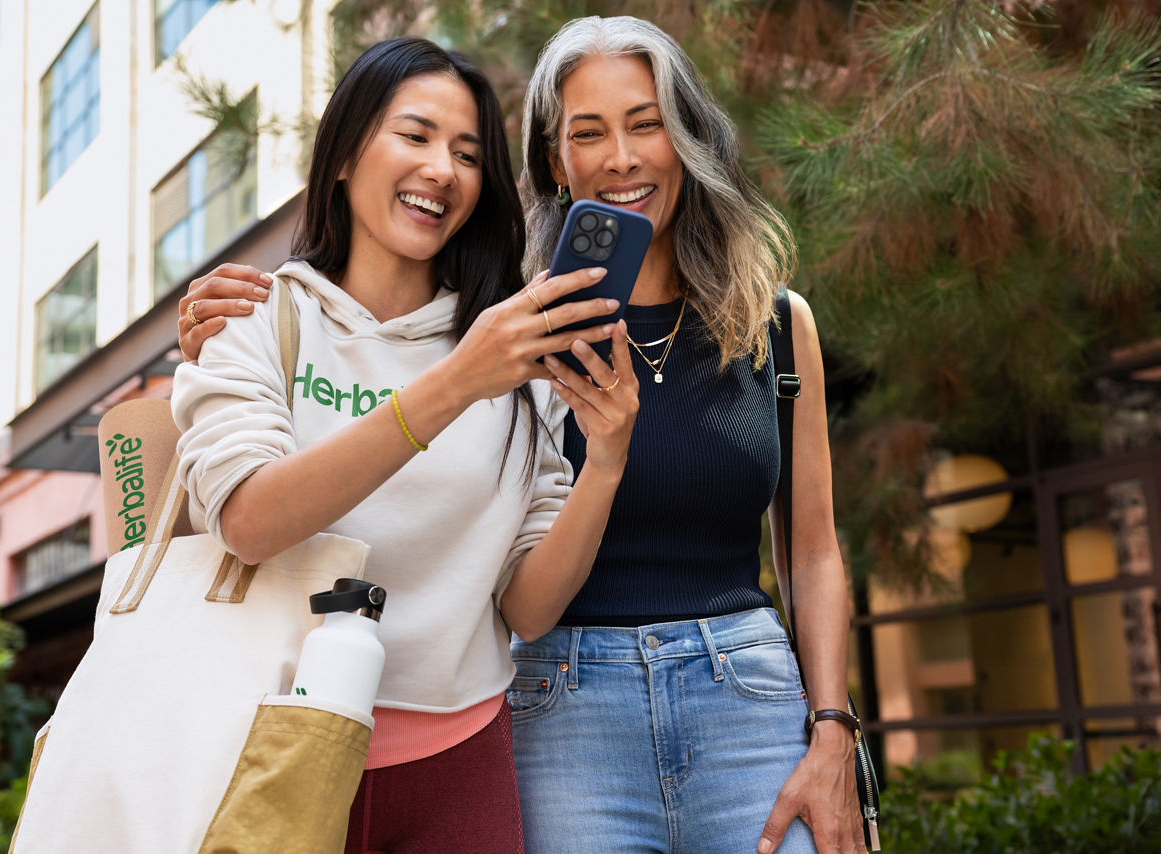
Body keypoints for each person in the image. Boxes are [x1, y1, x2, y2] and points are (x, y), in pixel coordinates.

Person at [180, 18, 864, 854]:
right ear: (553, 162)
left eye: (647, 123)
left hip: (745, 694)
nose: (622, 156)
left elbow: (815, 551)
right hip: (556, 699)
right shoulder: (512, 335)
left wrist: (833, 727)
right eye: (588, 132)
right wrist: (236, 340)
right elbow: (310, 467)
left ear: (688, 139)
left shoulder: (777, 327)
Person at [171, 37, 638, 854]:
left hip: (459, 763)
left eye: (466, 153)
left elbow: (528, 606)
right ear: (348, 152)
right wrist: (456, 382)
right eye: (415, 136)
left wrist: (606, 461)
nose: (443, 170)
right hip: (267, 750)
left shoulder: (513, 357)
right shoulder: (255, 318)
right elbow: (248, 520)